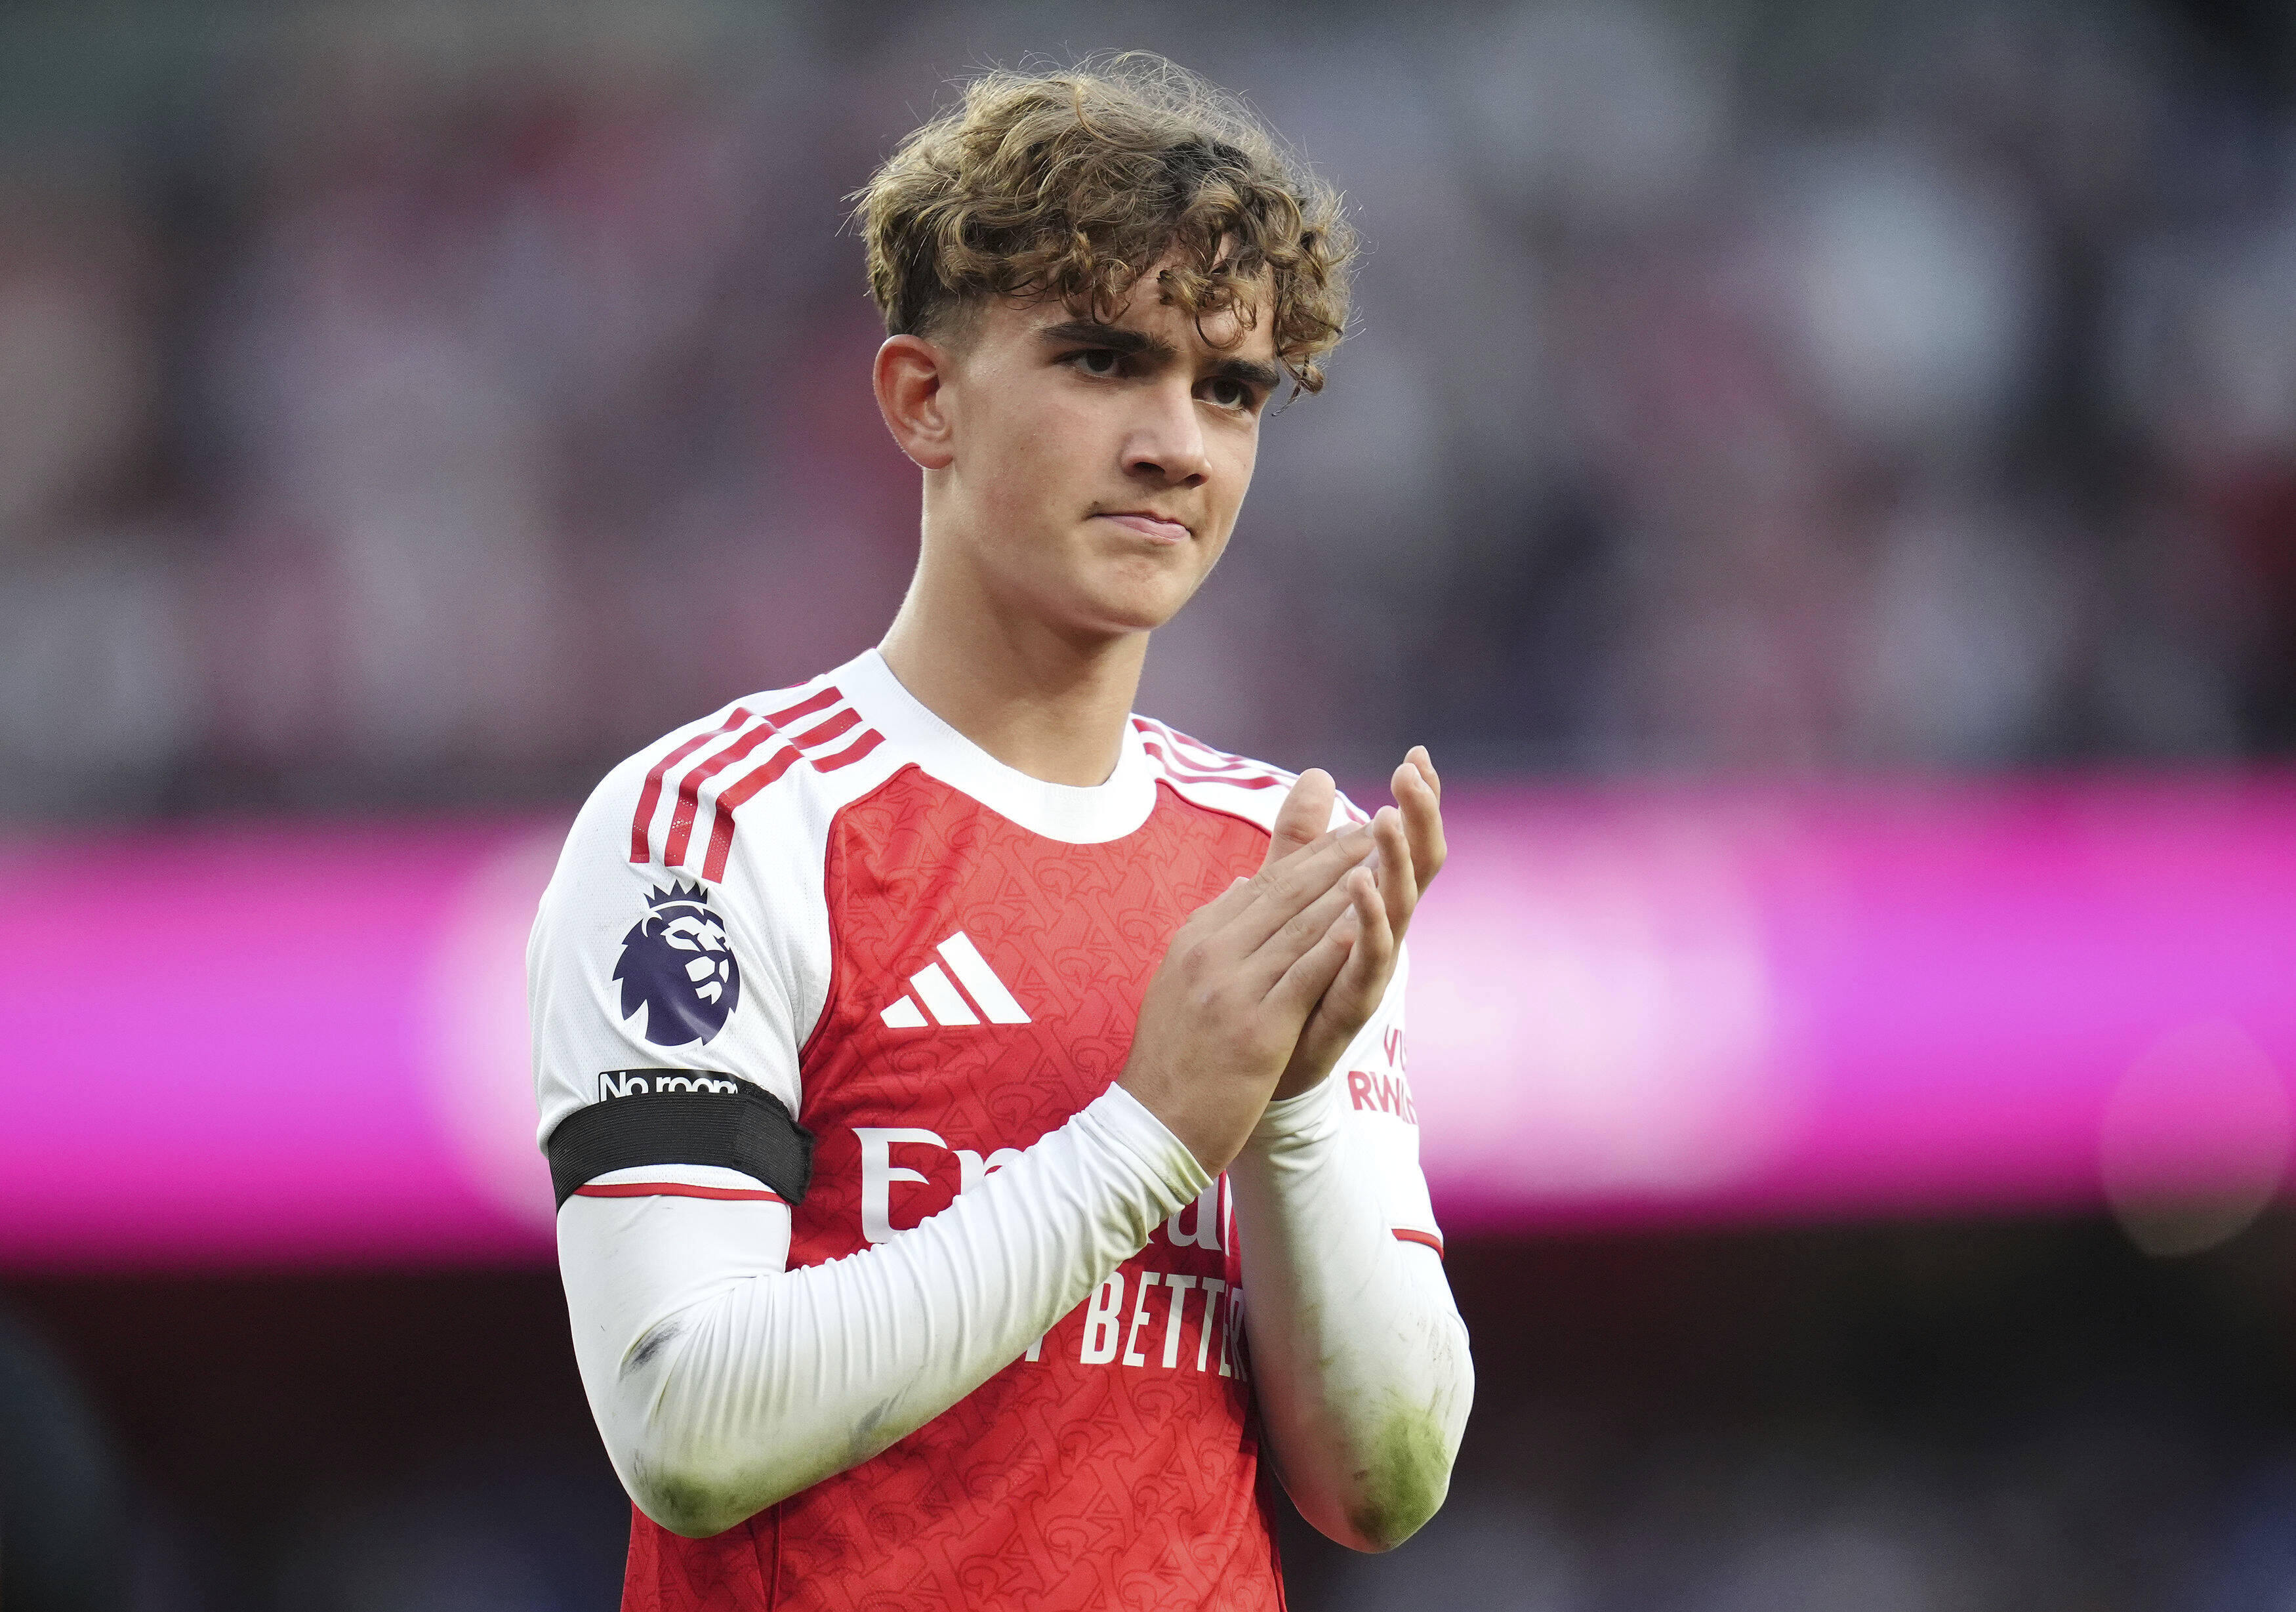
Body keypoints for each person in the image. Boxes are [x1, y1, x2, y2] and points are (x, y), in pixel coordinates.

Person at [529, 53, 1472, 1611]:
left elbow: (1384, 1481)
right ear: (923, 401)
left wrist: (1290, 1112)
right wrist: (1153, 1134)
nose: (1178, 441)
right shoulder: (714, 827)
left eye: (1229, 388)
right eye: (1104, 362)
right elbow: (682, 1418)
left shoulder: (1273, 862)